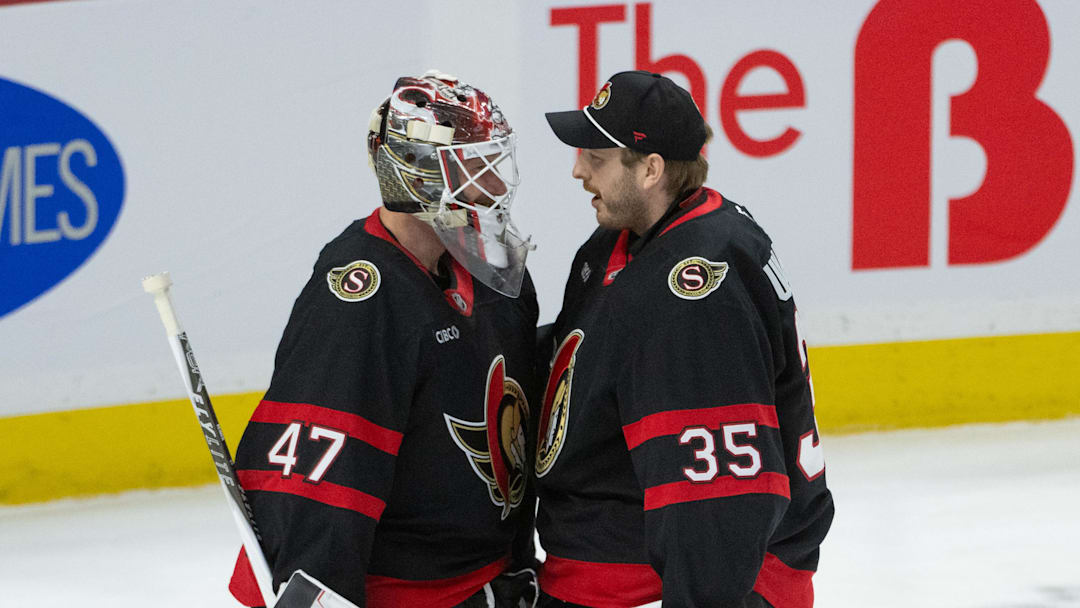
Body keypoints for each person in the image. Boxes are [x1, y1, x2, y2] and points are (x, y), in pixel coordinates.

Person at [227, 70, 540, 608]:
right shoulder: (361, 296)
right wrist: (313, 593)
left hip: (494, 584)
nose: (492, 185)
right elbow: (319, 468)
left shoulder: (494, 269)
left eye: (492, 163)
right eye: (472, 167)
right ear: (418, 175)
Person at [534, 70, 835, 608]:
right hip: (617, 575)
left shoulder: (692, 293)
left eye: (597, 157)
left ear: (650, 169)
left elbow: (719, 495)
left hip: (663, 588)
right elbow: (592, 361)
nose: (577, 169)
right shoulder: (627, 244)